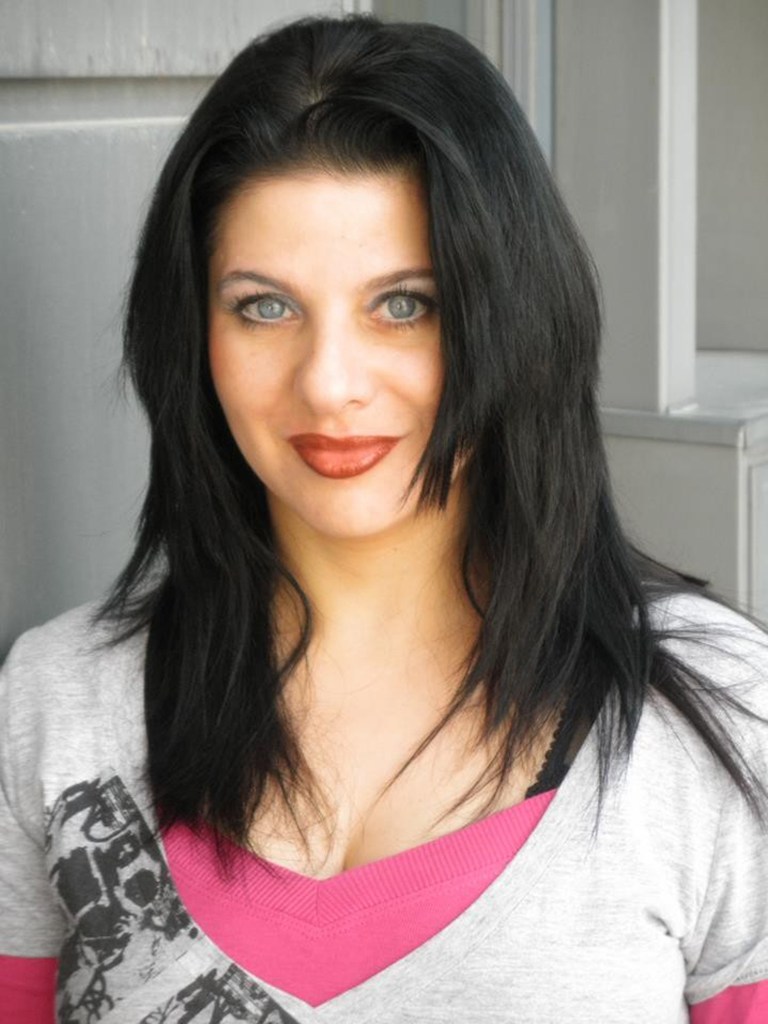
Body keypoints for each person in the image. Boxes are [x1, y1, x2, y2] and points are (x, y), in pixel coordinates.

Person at [1, 13, 767, 1024]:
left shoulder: (714, 719)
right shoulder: (55, 708)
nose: (329, 384)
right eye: (264, 306)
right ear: (192, 332)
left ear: (512, 320)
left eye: (404, 304)